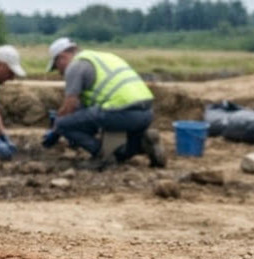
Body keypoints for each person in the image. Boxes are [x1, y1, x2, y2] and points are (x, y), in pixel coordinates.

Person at [41, 37, 165, 168]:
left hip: (120, 112)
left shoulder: (75, 66)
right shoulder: (103, 57)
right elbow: (85, 110)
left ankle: (102, 157)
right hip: (145, 113)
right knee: (119, 155)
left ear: (62, 57)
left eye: (56, 66)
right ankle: (143, 142)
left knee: (63, 123)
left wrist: (57, 127)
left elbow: (70, 105)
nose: (59, 72)